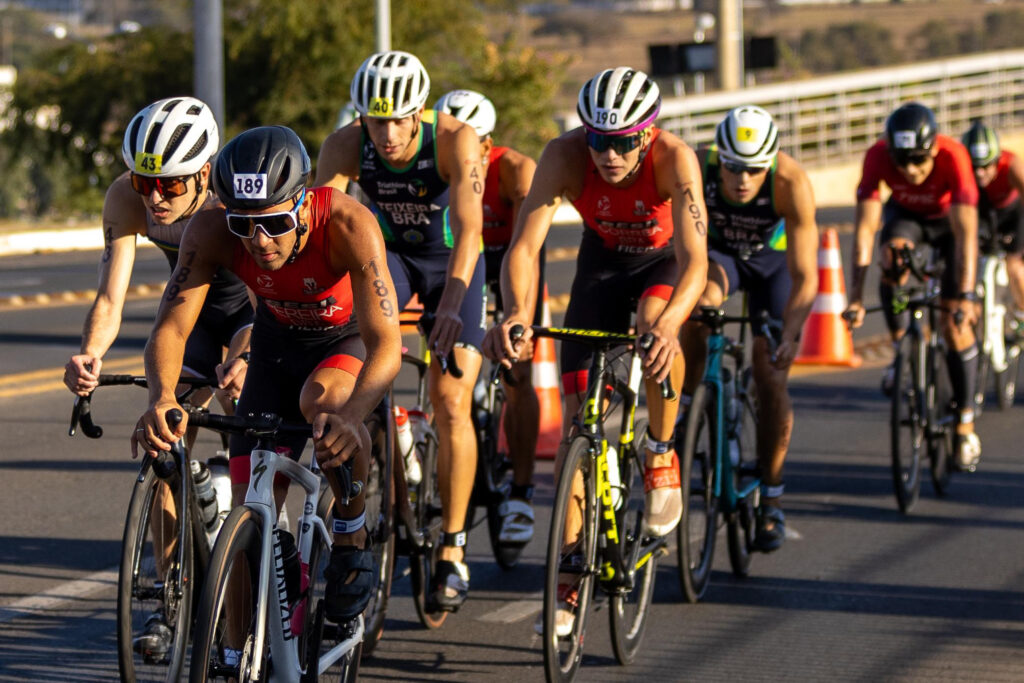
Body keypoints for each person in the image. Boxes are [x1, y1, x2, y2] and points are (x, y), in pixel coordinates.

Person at [130, 125, 402, 660]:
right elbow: (169, 328)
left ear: (303, 203)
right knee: (248, 499)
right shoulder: (209, 230)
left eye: (275, 222)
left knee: (323, 406)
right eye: (244, 225)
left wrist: (354, 414)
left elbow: (386, 343)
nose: (259, 240)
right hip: (276, 343)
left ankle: (350, 529)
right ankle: (236, 654)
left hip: (341, 339)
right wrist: (163, 396)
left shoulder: (348, 222)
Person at [483, 66, 708, 633]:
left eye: (624, 141)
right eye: (599, 139)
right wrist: (515, 312)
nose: (610, 154)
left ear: (648, 134)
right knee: (580, 427)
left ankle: (659, 453)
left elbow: (697, 262)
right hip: (602, 266)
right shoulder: (563, 156)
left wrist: (672, 324)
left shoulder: (675, 160)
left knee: (657, 325)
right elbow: (524, 246)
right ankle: (566, 581)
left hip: (663, 264)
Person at [62, 96, 253, 659]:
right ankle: (172, 601)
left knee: (251, 459)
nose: (154, 198)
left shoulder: (235, 198)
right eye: (145, 182)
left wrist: (242, 357)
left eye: (169, 186)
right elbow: (110, 295)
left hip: (252, 317)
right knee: (164, 447)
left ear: (203, 172)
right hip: (189, 317)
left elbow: (271, 298)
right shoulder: (128, 197)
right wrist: (89, 354)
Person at [315, 50, 486, 613]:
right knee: (359, 352)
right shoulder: (346, 144)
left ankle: (454, 548)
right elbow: (323, 225)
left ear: (420, 113)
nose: (386, 135)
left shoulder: (455, 140)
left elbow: (468, 231)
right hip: (392, 260)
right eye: (374, 120)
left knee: (450, 397)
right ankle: (388, 458)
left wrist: (454, 305)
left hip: (451, 263)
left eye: (398, 120)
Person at [680, 105, 818, 552]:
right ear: (719, 158)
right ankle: (689, 402)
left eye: (754, 170)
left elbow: (806, 275)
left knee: (770, 372)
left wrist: (792, 335)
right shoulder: (696, 166)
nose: (742, 180)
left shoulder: (790, 182)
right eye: (734, 168)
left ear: (771, 163)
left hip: (771, 264)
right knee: (700, 306)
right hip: (718, 257)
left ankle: (772, 496)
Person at [845, 102, 981, 470]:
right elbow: (864, 232)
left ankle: (965, 421)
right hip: (906, 219)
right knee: (891, 257)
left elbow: (968, 234)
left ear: (934, 149)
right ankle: (900, 340)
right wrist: (855, 297)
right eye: (902, 161)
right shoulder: (876, 156)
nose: (910, 170)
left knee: (955, 325)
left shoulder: (954, 156)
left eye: (919, 160)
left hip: (948, 223)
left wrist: (966, 295)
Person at [435, 88, 542, 554]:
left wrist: (516, 316)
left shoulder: (515, 171)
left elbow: (525, 250)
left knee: (518, 369)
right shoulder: (440, 168)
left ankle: (520, 490)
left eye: (472, 140)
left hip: (509, 264)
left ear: (488, 143)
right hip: (463, 265)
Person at [961, 120, 1024, 334]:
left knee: (1014, 265)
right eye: (974, 167)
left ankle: (1022, 312)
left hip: (1013, 214)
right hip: (981, 212)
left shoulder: (1012, 165)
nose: (980, 174)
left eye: (986, 166)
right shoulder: (960, 170)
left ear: (997, 160)